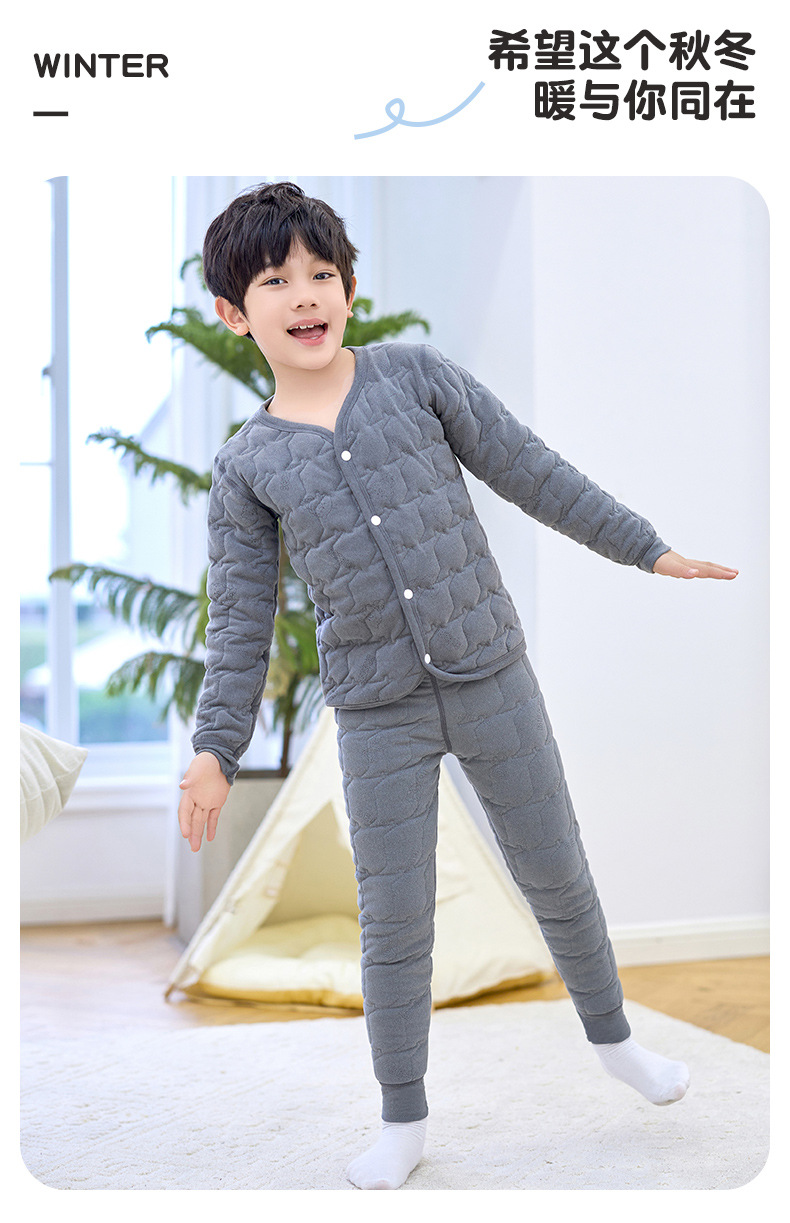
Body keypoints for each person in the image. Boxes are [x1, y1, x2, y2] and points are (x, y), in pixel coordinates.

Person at [177, 181, 739, 1190]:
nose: (305, 295)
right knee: (394, 918)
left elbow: (532, 471)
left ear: (349, 287)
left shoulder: (416, 377)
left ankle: (617, 1041)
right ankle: (402, 1118)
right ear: (233, 311)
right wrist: (216, 746)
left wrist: (645, 547)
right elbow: (242, 618)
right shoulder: (247, 466)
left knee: (556, 870)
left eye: (320, 273)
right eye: (275, 281)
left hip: (490, 672)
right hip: (376, 709)